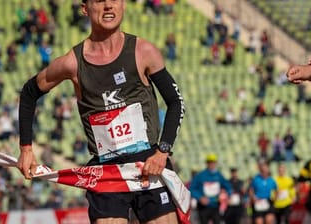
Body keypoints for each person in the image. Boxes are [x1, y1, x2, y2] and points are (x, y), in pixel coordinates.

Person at [16, 0, 185, 223]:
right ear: (85, 8)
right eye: (99, 0)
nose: (108, 6)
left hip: (148, 164)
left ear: (123, 5)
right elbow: (29, 93)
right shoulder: (72, 63)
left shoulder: (143, 51)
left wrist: (163, 152)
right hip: (106, 172)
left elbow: (176, 102)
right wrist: (26, 149)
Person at [189, 153, 232, 224]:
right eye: (210, 162)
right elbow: (192, 189)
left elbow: (228, 187)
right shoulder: (200, 176)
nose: (212, 164)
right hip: (203, 207)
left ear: (216, 163)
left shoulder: (219, 175)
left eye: (213, 162)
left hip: (216, 206)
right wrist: (200, 197)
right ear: (207, 163)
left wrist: (228, 196)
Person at [249, 159, 277, 224]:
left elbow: (276, 190)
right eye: (262, 171)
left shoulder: (271, 180)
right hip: (258, 202)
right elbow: (251, 190)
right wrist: (253, 198)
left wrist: (274, 199)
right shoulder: (256, 179)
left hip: (268, 202)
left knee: (269, 220)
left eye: (265, 170)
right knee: (259, 222)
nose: (264, 172)